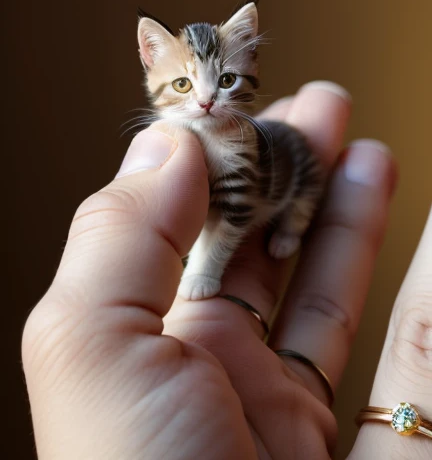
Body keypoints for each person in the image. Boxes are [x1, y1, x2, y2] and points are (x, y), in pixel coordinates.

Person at [22, 82, 432, 458]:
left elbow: (234, 212)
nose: (204, 97)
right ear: (149, 61)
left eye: (224, 80)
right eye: (184, 83)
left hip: (282, 191)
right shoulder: (180, 136)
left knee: (265, 206)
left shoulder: (241, 139)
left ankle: (292, 223)